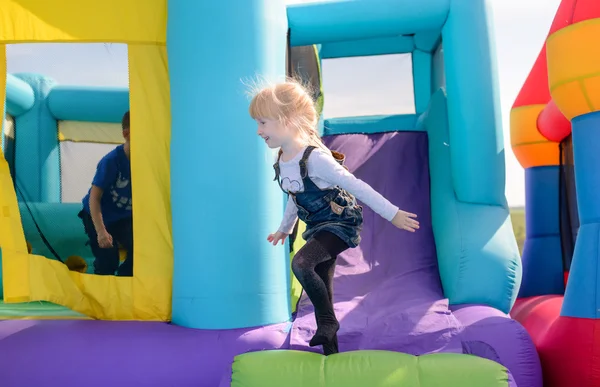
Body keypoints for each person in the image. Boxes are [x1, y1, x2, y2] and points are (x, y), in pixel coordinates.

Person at [248, 80, 419, 355]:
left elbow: (357, 186)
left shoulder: (316, 159)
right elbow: (295, 196)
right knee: (322, 290)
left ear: (288, 120)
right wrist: (284, 228)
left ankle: (328, 322)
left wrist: (393, 214)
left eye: (263, 123)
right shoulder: (283, 160)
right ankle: (331, 352)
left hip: (341, 222)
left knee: (302, 264)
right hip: (317, 226)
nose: (258, 131)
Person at [78, 111, 133, 276]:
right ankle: (102, 289)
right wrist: (101, 232)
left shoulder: (149, 161)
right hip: (98, 214)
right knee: (108, 260)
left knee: (143, 253)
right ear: (126, 134)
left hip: (124, 217)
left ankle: (123, 287)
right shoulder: (112, 161)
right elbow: (94, 198)